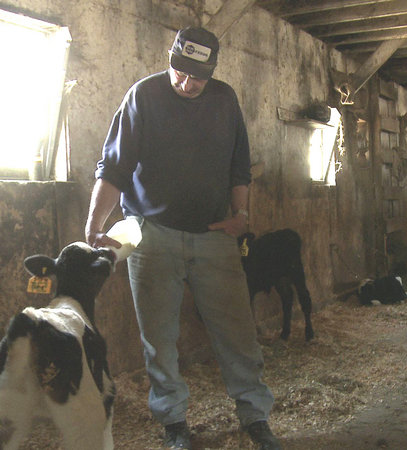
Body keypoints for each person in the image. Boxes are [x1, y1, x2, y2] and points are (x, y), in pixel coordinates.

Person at [84, 26, 281, 450]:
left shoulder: (225, 100)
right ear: (169, 58)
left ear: (212, 71)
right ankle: (173, 422)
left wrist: (241, 215)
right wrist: (94, 225)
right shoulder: (143, 96)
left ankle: (254, 416)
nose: (184, 83)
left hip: (214, 235)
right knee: (159, 337)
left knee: (237, 331)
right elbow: (114, 168)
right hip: (152, 234)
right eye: (178, 71)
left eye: (196, 77)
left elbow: (238, 165)